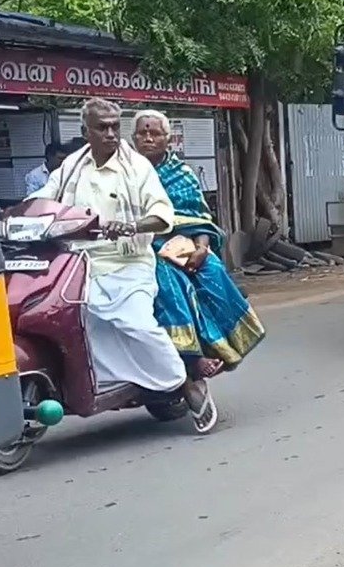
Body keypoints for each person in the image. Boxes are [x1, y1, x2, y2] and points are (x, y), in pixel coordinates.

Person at [29, 98, 215, 432]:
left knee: (137, 323)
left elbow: (163, 214)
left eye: (116, 126)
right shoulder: (72, 165)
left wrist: (132, 226)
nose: (112, 134)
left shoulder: (137, 167)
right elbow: (44, 199)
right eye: (103, 127)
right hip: (78, 267)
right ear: (86, 131)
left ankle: (185, 382)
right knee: (76, 324)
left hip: (129, 263)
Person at [132, 109, 265, 395]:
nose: (148, 138)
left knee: (213, 270)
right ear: (132, 138)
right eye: (142, 133)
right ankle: (192, 357)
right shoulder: (126, 172)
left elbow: (199, 218)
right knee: (169, 279)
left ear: (168, 139)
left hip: (185, 242)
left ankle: (230, 343)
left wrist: (202, 248)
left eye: (154, 133)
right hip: (142, 247)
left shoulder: (181, 173)